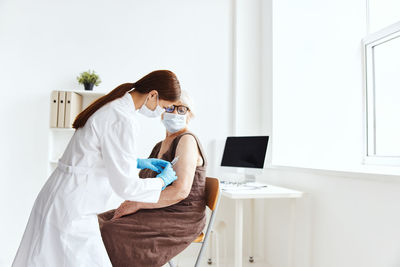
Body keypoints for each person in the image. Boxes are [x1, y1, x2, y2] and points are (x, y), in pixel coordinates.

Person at [12, 70, 181, 267]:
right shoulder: (122, 118)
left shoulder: (113, 106)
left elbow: (94, 151)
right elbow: (125, 187)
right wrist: (161, 181)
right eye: (164, 107)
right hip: (72, 208)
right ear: (153, 94)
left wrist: (135, 162)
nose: (162, 113)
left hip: (62, 198)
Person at [98, 91, 207, 267]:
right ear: (162, 111)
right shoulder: (160, 145)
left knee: (112, 231)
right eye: (170, 107)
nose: (174, 113)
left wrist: (137, 204)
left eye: (181, 109)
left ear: (190, 115)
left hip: (180, 215)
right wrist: (132, 200)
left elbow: (180, 191)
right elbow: (144, 181)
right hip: (157, 206)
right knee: (97, 223)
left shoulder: (187, 140)